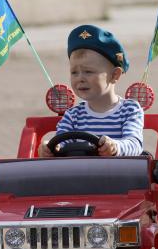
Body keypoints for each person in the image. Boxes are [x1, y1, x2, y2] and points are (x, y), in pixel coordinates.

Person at [38, 24, 144, 157]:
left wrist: (115, 147)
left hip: (118, 175)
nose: (80, 78)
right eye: (74, 72)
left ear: (114, 75)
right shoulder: (73, 116)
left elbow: (135, 144)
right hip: (79, 175)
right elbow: (62, 142)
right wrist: (50, 149)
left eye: (88, 72)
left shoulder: (129, 110)